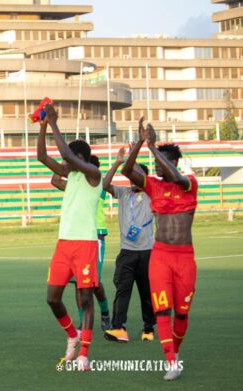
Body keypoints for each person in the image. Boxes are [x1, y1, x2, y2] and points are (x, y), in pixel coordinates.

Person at [121, 118, 197, 381]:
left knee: (182, 313)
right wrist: (141, 143)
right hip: (161, 257)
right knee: (162, 310)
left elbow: (176, 176)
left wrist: (153, 148)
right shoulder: (152, 185)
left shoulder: (189, 183)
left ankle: (175, 351)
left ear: (173, 162)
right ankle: (171, 361)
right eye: (153, 162)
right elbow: (127, 171)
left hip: (185, 258)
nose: (154, 166)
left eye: (159, 162)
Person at [37, 104, 102, 371]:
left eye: (70, 158)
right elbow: (42, 156)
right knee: (52, 298)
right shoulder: (71, 175)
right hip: (64, 244)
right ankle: (72, 335)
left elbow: (63, 152)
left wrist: (53, 122)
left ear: (80, 158)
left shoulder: (93, 175)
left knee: (85, 300)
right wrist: (42, 125)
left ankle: (84, 353)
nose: (64, 161)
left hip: (85, 244)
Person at [51, 155, 110, 333]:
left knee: (95, 283)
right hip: (75, 239)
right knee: (79, 285)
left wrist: (117, 162)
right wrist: (63, 163)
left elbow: (106, 181)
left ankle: (105, 313)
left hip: (95, 237)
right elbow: (55, 180)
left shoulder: (96, 184)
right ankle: (81, 321)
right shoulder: (75, 185)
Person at [103, 146, 156, 343]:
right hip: (127, 252)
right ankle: (118, 327)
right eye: (131, 175)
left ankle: (148, 328)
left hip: (147, 252)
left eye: (137, 175)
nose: (133, 178)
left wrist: (137, 151)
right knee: (122, 290)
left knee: (146, 292)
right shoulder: (124, 193)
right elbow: (105, 184)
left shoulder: (152, 193)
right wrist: (118, 162)